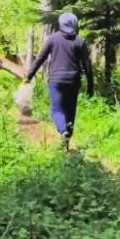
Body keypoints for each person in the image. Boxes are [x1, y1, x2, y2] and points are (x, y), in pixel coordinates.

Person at [26, 13, 94, 149]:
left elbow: (40, 58)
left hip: (56, 81)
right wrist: (90, 86)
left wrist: (29, 76)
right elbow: (87, 66)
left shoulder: (53, 39)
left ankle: (63, 132)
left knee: (56, 110)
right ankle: (66, 142)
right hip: (73, 81)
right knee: (70, 112)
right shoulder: (80, 42)